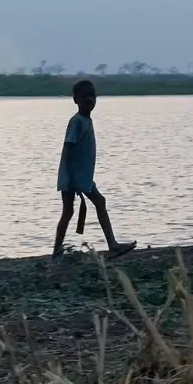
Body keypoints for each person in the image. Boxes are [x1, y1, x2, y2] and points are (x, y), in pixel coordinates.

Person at [53, 79, 137, 259]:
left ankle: (110, 245)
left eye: (93, 96)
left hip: (82, 177)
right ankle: (58, 250)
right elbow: (68, 147)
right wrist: (71, 177)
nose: (90, 100)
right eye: (85, 97)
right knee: (69, 211)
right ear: (76, 100)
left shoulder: (86, 120)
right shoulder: (77, 122)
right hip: (73, 177)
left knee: (95, 204)